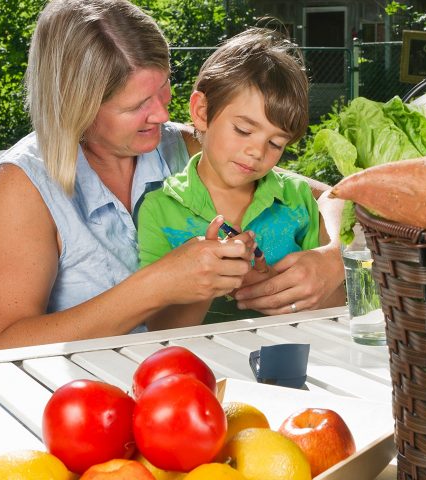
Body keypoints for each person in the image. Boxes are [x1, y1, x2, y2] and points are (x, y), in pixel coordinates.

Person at [0, 0, 344, 351]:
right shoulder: (23, 184)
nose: (162, 115)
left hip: (208, 368)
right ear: (76, 106)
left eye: (163, 87)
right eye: (137, 105)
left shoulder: (183, 145)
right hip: (93, 383)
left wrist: (334, 259)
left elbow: (335, 197)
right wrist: (157, 285)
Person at [137, 28, 345, 329]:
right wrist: (209, 280)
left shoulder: (297, 199)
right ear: (202, 111)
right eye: (244, 130)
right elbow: (160, 330)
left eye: (276, 143)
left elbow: (336, 306)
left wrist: (284, 290)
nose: (257, 151)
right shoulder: (158, 208)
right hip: (200, 357)